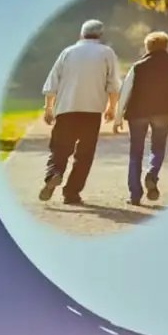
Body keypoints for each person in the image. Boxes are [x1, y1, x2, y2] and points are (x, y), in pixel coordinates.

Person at [39, 19, 121, 206]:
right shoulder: (106, 53)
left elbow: (52, 82)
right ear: (100, 35)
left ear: (81, 33)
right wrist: (111, 107)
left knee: (60, 148)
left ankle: (54, 174)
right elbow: (113, 85)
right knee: (84, 155)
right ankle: (71, 193)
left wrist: (48, 107)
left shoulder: (68, 52)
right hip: (92, 112)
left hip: (66, 109)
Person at [113, 31, 168, 206]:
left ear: (147, 47)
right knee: (158, 147)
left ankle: (135, 195)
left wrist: (118, 117)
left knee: (135, 153)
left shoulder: (137, 66)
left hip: (137, 113)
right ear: (166, 46)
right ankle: (152, 174)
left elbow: (125, 91)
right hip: (163, 112)